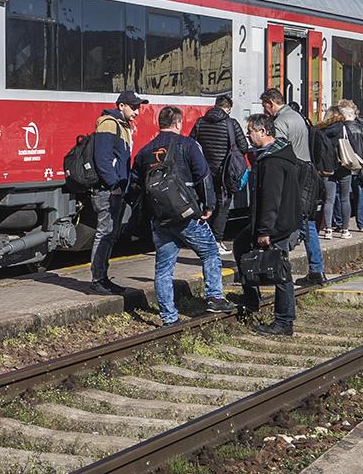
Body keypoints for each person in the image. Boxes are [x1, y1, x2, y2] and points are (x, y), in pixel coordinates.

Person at [134, 107, 235, 324]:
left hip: (160, 219)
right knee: (210, 252)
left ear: (159, 123)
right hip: (187, 215)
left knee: (163, 269)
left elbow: (135, 186)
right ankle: (215, 297)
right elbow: (203, 175)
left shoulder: (145, 151)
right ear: (178, 123)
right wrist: (209, 206)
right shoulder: (188, 145)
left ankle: (169, 318)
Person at [238, 113, 302, 336]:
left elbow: (271, 198)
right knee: (240, 245)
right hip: (280, 222)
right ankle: (251, 297)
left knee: (281, 271)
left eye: (251, 131)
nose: (248, 134)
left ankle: (284, 321)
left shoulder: (273, 161)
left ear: (264, 132)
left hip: (276, 225)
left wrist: (265, 230)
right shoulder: (277, 153)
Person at [260, 87, 324, 283]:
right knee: (306, 222)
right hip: (307, 171)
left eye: (265, 107)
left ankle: (286, 267)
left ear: (271, 103)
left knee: (294, 222)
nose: (265, 112)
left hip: (294, 175)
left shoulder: (280, 122)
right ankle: (315, 268)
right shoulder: (297, 116)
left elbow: (277, 150)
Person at [87, 91, 145, 295]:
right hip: (108, 191)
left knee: (110, 234)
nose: (137, 111)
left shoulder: (122, 126)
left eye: (138, 107)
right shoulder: (108, 124)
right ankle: (97, 279)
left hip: (116, 190)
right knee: (105, 233)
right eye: (134, 107)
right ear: (121, 106)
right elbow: (102, 159)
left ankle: (102, 277)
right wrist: (114, 185)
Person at [191, 94, 247, 238]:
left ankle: (204, 237)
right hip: (224, 173)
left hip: (204, 172)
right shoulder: (231, 123)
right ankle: (217, 239)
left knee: (207, 204)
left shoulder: (199, 122)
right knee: (223, 206)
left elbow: (191, 145)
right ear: (227, 108)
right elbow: (244, 146)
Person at [335, 101, 363, 233]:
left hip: (343, 168)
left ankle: (340, 222)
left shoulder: (337, 130)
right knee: (360, 195)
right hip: (360, 168)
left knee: (340, 196)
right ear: (353, 114)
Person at [315, 106, 351, 239]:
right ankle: (345, 230)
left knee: (328, 200)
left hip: (327, 169)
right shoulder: (344, 128)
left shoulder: (320, 130)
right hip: (343, 166)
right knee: (344, 199)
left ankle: (328, 230)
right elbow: (351, 144)